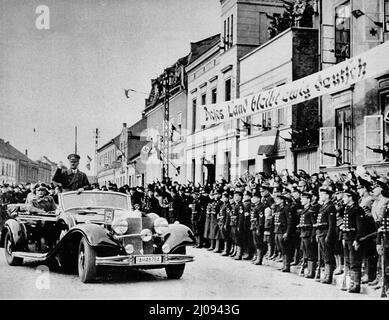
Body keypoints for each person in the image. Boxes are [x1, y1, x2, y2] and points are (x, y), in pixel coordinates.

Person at [341, 189, 367, 293]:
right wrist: (343, 237)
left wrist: (357, 239)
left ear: (350, 197)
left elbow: (360, 227)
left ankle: (356, 285)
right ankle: (350, 283)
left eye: (345, 197)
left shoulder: (357, 209)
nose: (343, 199)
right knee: (348, 261)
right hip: (347, 237)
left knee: (355, 262)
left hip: (353, 239)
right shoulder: (347, 208)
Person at [314, 186, 336, 284]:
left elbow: (332, 224)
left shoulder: (330, 206)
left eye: (322, 194)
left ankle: (329, 276)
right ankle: (326, 275)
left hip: (326, 233)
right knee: (324, 255)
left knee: (328, 255)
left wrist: (329, 236)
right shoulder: (323, 206)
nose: (320, 196)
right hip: (321, 233)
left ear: (327, 195)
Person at [297, 191, 318, 278]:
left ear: (308, 200)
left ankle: (311, 271)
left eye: (303, 198)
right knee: (305, 251)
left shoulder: (311, 209)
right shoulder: (305, 209)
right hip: (303, 233)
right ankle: (307, 270)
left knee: (310, 253)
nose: (301, 200)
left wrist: (313, 235)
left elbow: (314, 224)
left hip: (309, 234)